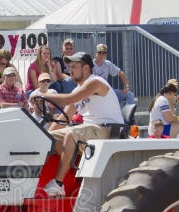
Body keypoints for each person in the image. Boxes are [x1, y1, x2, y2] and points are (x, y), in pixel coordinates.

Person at [41, 52, 124, 197]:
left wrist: (43, 95)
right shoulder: (78, 90)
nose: (70, 70)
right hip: (91, 131)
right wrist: (45, 137)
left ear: (86, 68)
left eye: (74, 67)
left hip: (107, 130)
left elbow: (70, 99)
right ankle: (75, 177)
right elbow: (64, 118)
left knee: (70, 134)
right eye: (69, 67)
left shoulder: (95, 82)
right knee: (50, 139)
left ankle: (58, 184)